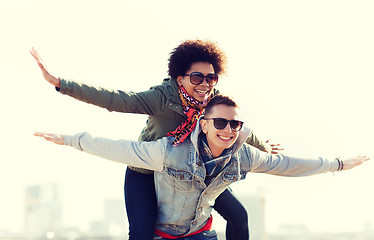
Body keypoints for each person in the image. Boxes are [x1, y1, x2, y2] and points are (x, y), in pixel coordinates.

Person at [30, 40, 283, 240]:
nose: (205, 84)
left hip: (189, 172)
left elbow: (233, 124)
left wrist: (262, 147)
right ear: (180, 78)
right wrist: (61, 84)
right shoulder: (163, 97)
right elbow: (117, 99)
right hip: (147, 171)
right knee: (141, 235)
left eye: (211, 78)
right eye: (197, 77)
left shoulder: (212, 101)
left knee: (239, 216)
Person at [35, 94, 369, 239]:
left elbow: (287, 165)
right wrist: (71, 139)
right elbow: (121, 149)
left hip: (200, 235)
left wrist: (337, 164)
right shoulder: (171, 152)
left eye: (235, 125)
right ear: (204, 124)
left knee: (239, 217)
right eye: (221, 123)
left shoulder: (243, 156)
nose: (228, 130)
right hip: (163, 236)